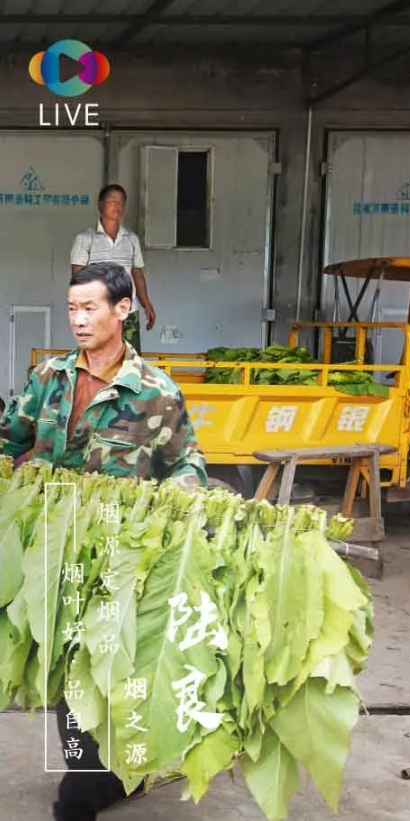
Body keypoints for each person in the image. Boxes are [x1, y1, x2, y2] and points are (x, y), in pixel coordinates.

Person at [0, 261, 206, 821]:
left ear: (123, 309)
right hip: (50, 545)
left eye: (90, 307)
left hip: (119, 554)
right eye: (72, 308)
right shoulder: (50, 378)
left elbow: (184, 461)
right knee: (64, 666)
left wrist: (187, 497)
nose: (78, 319)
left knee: (104, 666)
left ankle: (90, 785)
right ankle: (95, 775)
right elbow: (11, 435)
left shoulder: (155, 391)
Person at [71, 183, 156, 354]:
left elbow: (137, 274)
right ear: (100, 204)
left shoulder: (131, 239)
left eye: (121, 202)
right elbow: (78, 277)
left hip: (127, 313)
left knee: (129, 363)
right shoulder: (85, 239)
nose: (117, 206)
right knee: (97, 361)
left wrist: (146, 304)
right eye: (112, 201)